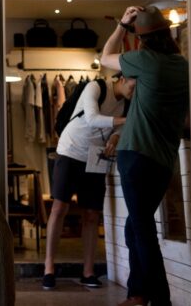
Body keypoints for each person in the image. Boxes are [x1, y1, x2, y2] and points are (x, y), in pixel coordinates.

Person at [101, 6, 189, 306]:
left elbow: (105, 57)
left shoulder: (142, 60)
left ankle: (160, 299)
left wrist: (121, 25)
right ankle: (138, 293)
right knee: (136, 225)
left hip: (136, 154)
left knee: (142, 229)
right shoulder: (183, 65)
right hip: (163, 160)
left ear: (142, 40)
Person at [42, 73, 136, 291]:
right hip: (71, 149)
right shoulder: (96, 86)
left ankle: (88, 271)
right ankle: (48, 268)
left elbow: (119, 129)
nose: (135, 88)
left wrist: (115, 135)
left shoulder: (128, 104)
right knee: (59, 207)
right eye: (134, 83)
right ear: (122, 78)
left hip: (97, 154)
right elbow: (92, 118)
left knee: (92, 214)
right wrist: (124, 121)